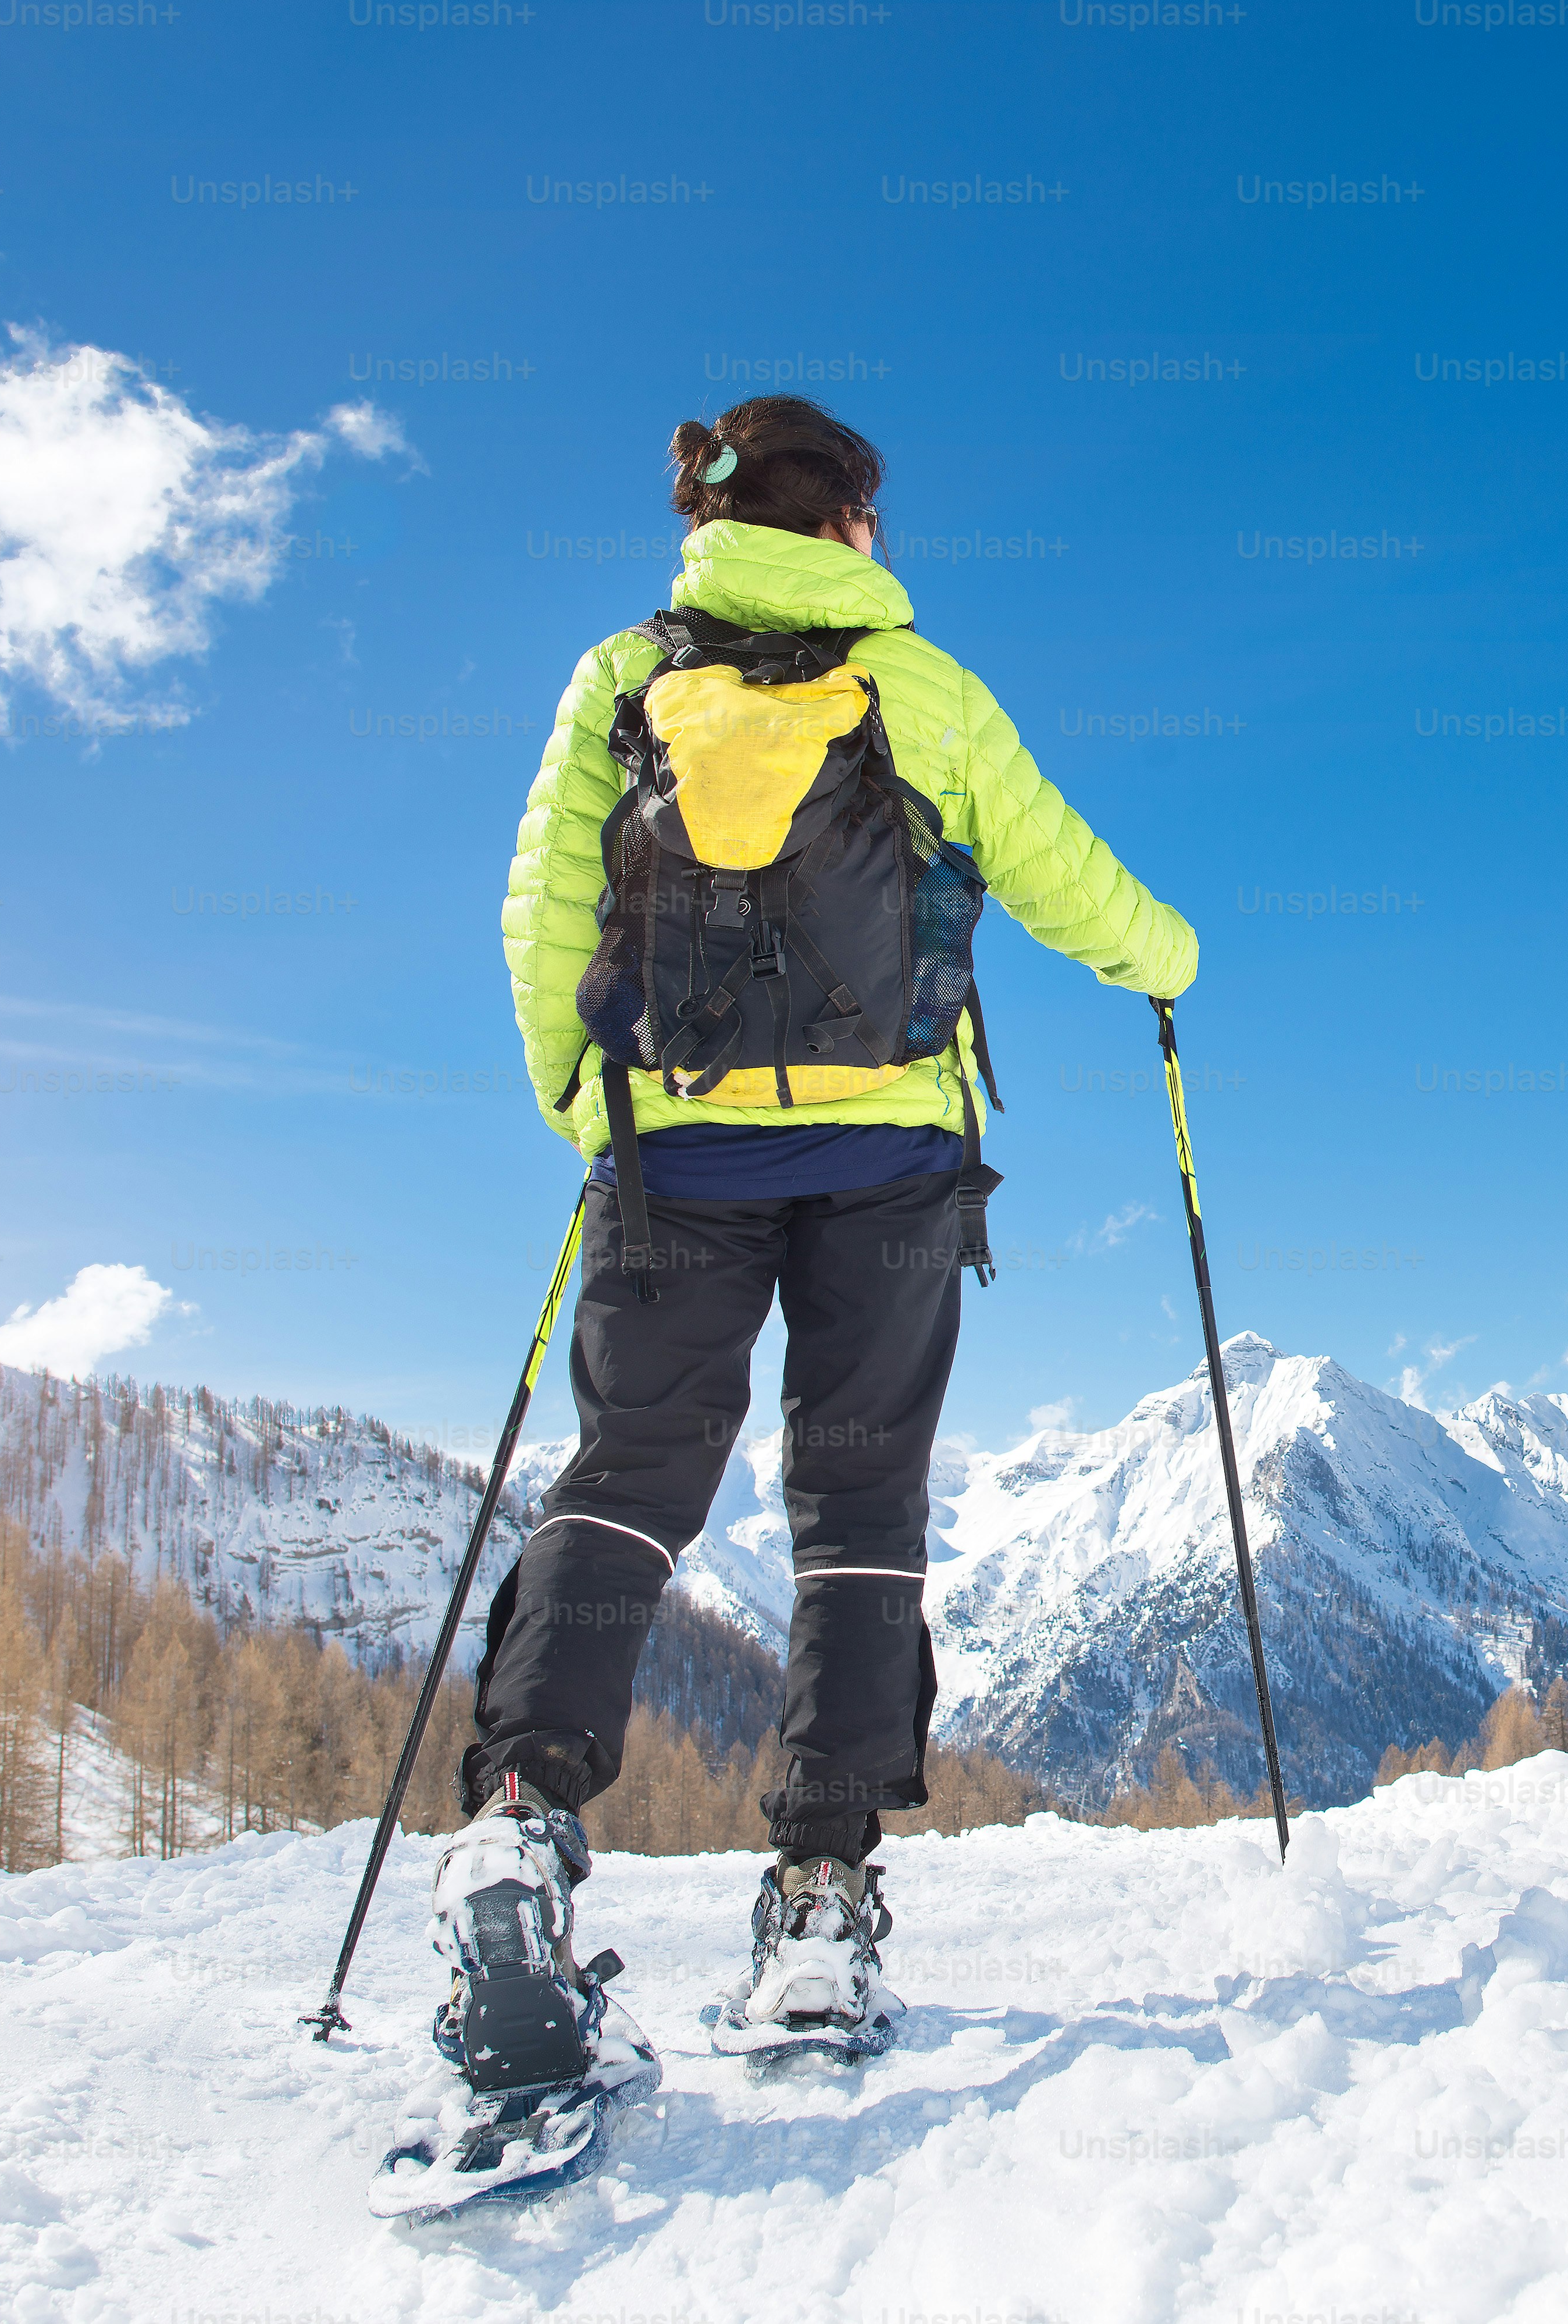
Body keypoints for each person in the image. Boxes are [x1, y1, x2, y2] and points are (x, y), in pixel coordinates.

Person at [433, 395, 1197, 2061]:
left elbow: (548, 899)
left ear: (713, 518)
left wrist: (585, 1099)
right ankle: (820, 1900)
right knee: (857, 1504)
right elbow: (1060, 872)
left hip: (671, 1157)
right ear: (852, 524)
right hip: (892, 1166)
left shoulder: (618, 677)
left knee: (628, 1480)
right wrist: (1167, 962)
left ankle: (515, 1816)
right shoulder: (922, 689)